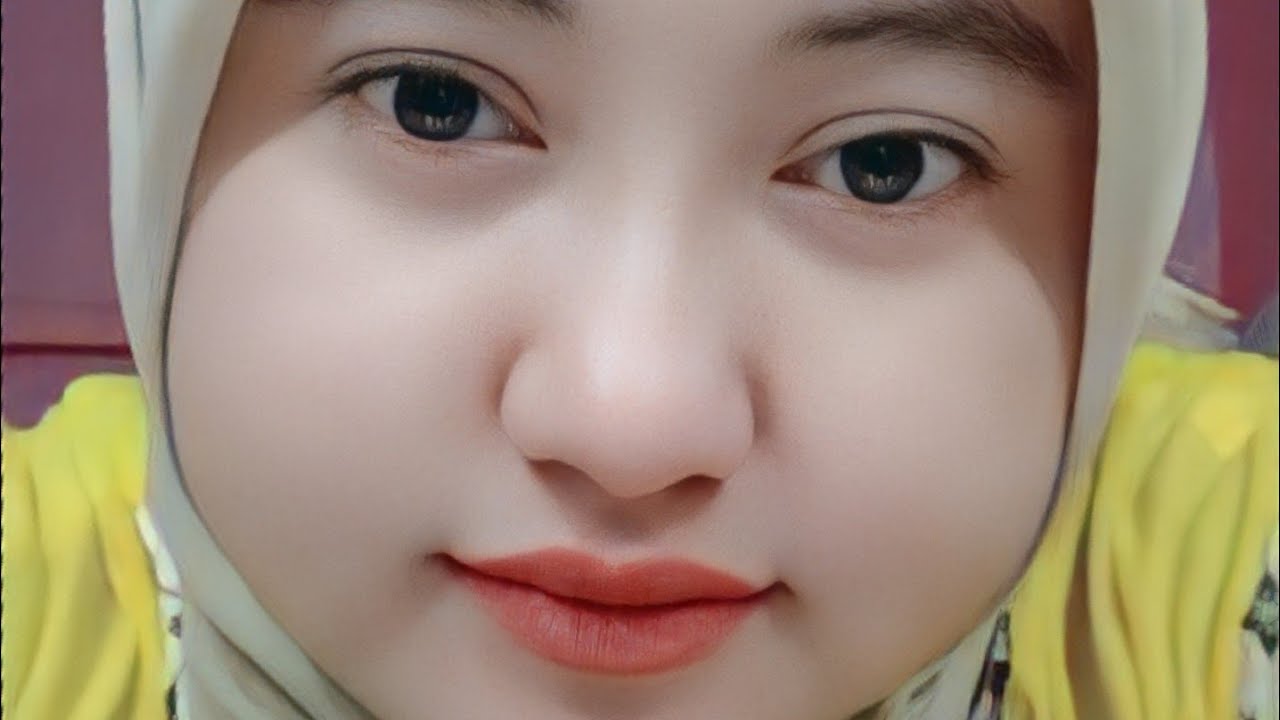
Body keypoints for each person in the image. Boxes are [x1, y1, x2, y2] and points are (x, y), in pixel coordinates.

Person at [2, 1, 1276, 718]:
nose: (631, 421)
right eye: (435, 100)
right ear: (172, 128)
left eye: (880, 164)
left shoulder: (1198, 570)